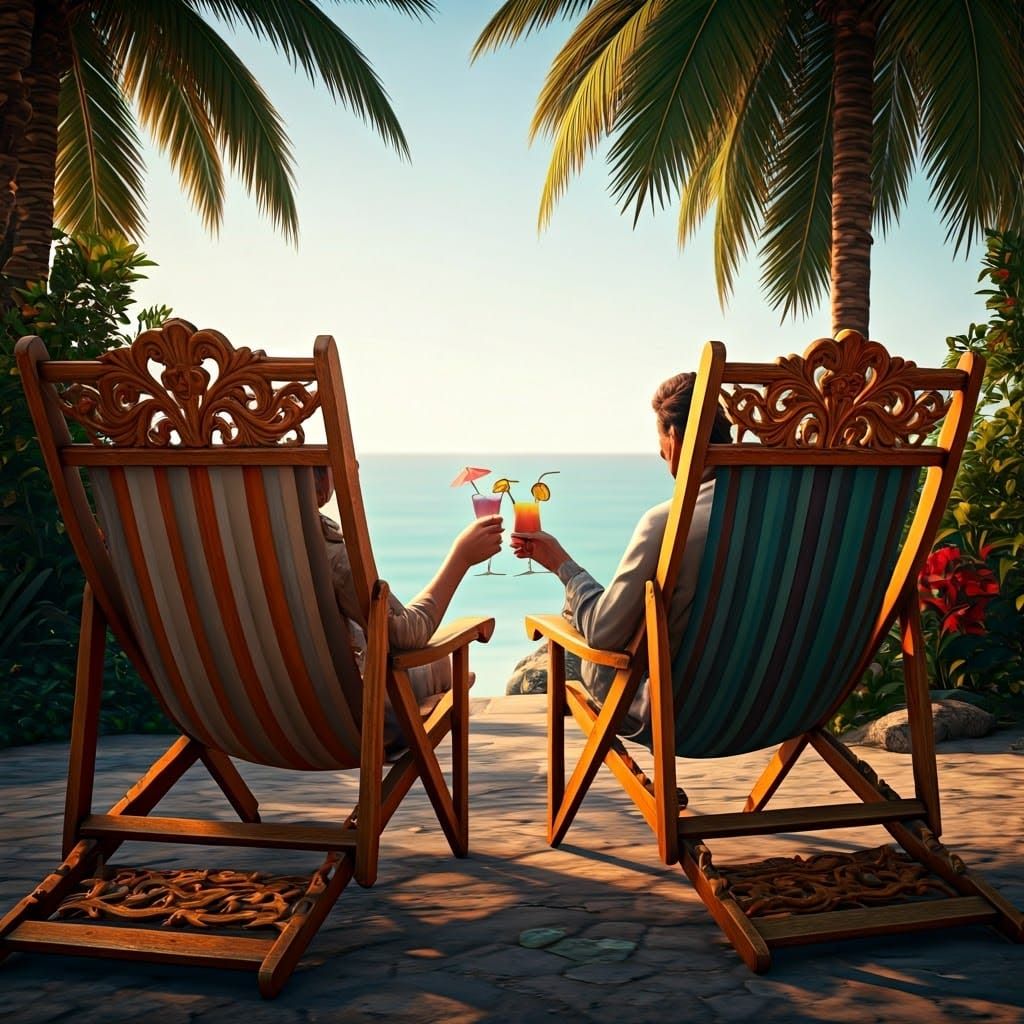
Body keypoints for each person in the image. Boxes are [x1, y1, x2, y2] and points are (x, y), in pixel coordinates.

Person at [510, 372, 733, 746]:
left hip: (682, 715)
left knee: (592, 653)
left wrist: (562, 565)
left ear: (675, 439)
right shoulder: (794, 516)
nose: (661, 454)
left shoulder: (667, 523)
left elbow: (605, 634)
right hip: (783, 706)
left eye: (661, 442)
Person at [314, 466, 502, 754]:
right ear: (318, 482)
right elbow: (404, 634)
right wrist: (461, 557)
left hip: (262, 728)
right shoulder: (326, 552)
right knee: (441, 664)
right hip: (352, 728)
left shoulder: (241, 547)